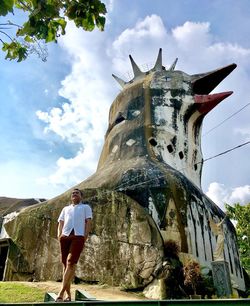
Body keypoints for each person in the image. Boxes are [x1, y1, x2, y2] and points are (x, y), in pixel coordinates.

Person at [56, 188, 92, 302]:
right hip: (65, 237)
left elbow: (89, 222)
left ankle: (61, 293)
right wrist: (59, 235)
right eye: (73, 193)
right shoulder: (65, 209)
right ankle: (68, 295)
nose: (74, 194)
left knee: (71, 262)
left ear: (81, 196)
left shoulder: (86, 207)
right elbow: (60, 222)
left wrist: (85, 236)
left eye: (77, 193)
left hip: (78, 236)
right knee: (65, 265)